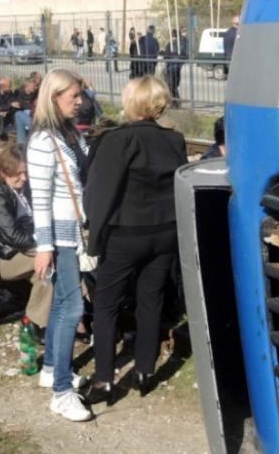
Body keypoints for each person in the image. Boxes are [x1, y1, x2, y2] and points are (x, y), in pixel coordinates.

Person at [83, 76, 188, 406]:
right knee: (151, 301)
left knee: (106, 304)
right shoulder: (174, 139)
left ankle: (103, 380)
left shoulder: (118, 140)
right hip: (165, 233)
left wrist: (93, 241)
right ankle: (144, 370)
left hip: (126, 234)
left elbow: (101, 193)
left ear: (132, 102)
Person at [26, 68, 92, 422]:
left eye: (80, 95)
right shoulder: (42, 140)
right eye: (73, 96)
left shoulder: (69, 132)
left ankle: (51, 369)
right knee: (72, 308)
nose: (80, 101)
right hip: (61, 235)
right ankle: (62, 393)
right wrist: (44, 246)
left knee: (63, 304)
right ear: (54, 97)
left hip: (73, 232)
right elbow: (40, 198)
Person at [0, 146, 53, 329]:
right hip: (1, 257)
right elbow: (15, 237)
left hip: (21, 250)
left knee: (44, 272)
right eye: (18, 174)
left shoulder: (24, 189)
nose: (24, 178)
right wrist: (46, 245)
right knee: (48, 262)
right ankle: (40, 323)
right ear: (3, 172)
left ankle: (37, 322)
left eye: (26, 172)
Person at [14, 72, 42, 145]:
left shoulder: (35, 92)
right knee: (24, 112)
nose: (36, 88)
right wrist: (33, 107)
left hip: (32, 112)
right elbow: (21, 104)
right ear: (28, 86)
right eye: (34, 86)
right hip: (22, 112)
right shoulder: (19, 92)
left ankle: (22, 142)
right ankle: (36, 128)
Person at [164, 29, 187, 104]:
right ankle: (175, 101)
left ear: (172, 35)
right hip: (178, 67)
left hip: (171, 67)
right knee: (174, 84)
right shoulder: (182, 44)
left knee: (171, 85)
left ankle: (175, 101)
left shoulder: (170, 44)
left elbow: (166, 56)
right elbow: (185, 56)